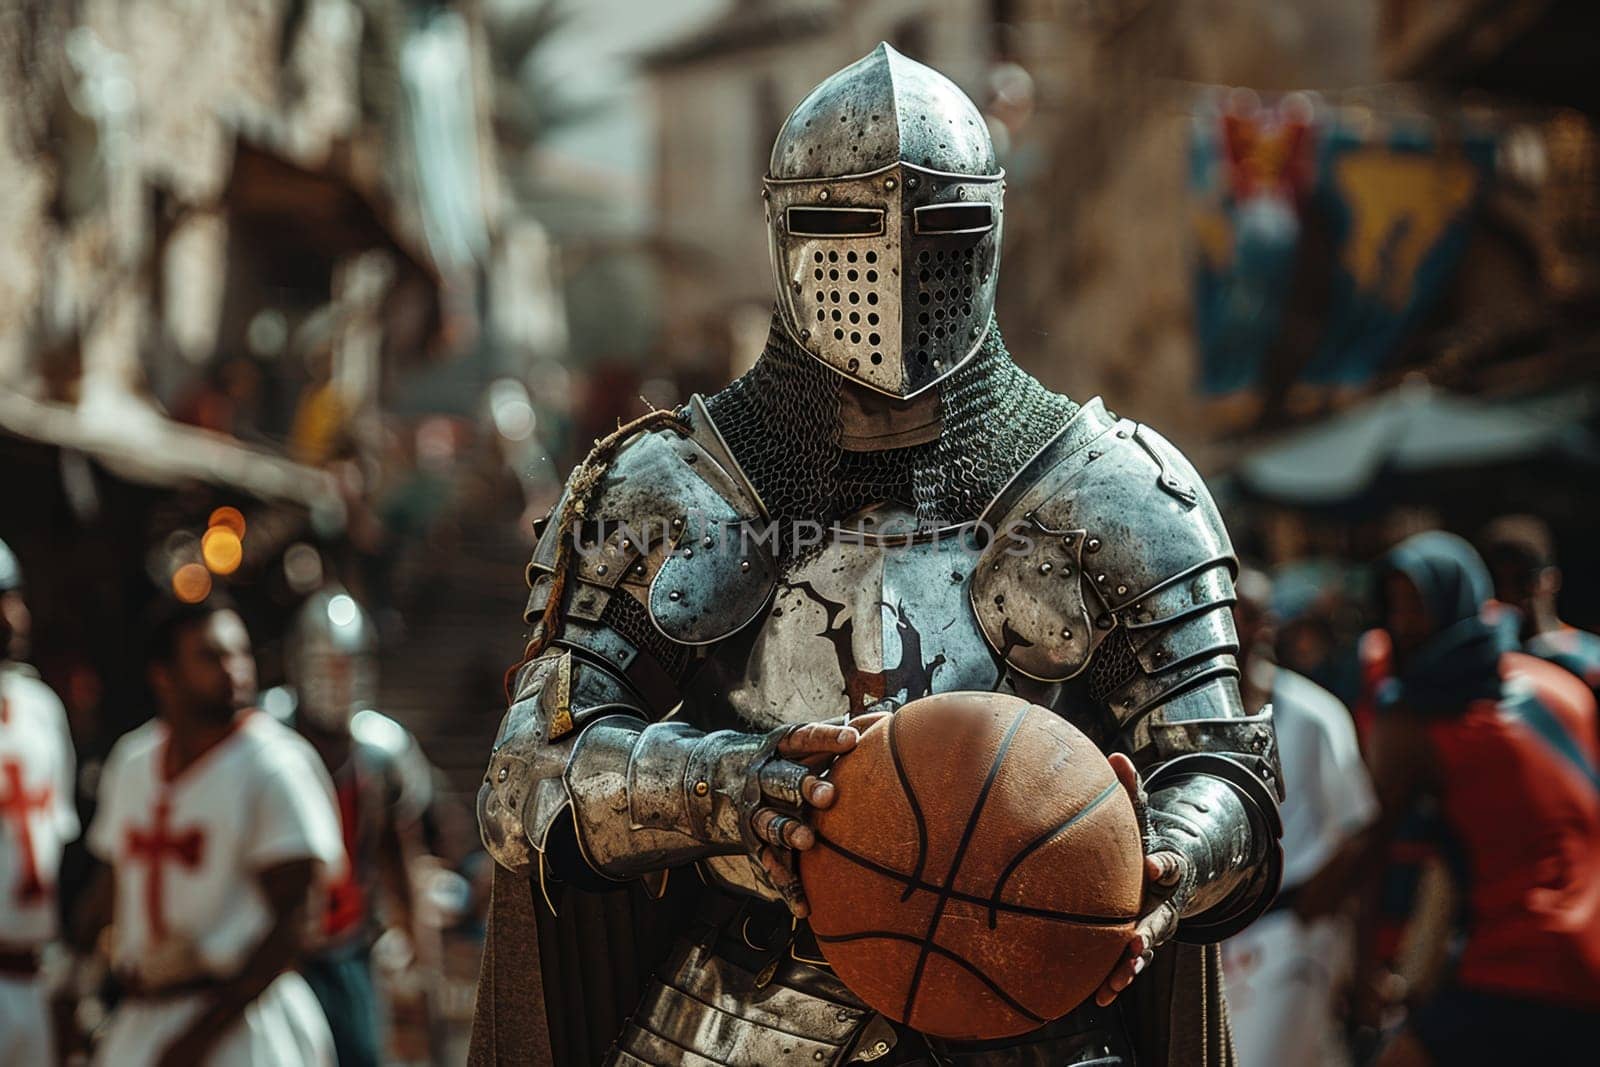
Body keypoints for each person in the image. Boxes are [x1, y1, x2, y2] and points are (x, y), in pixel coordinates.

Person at [473, 44, 1283, 1067]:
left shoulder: (1116, 494)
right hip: (737, 1019)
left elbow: (1221, 768)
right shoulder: (665, 487)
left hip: (1035, 1017)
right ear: (784, 233)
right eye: (845, 224)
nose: (895, 268)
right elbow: (526, 776)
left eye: (939, 228)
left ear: (987, 230)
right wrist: (729, 783)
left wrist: (1152, 860)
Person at [1334, 532, 1600, 1066]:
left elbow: (1371, 852)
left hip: (1518, 962)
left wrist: (1361, 975)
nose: (1404, 624)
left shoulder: (1413, 721)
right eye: (1395, 606)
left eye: (1417, 606)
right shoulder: (1561, 686)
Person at [77, 594, 345, 1065]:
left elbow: (298, 916)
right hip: (143, 1012)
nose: (234, 669)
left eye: (240, 653)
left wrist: (202, 1034)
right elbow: (112, 885)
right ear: (163, 675)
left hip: (247, 1023)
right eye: (212, 656)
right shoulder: (133, 761)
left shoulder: (275, 763)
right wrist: (71, 981)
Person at [271, 584, 435, 1067]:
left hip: (347, 943)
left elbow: (397, 853)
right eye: (326, 664)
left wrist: (414, 941)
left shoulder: (381, 751)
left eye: (349, 664)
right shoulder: (266, 737)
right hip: (272, 950)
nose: (338, 679)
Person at [1220, 567, 1375, 1067]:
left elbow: (1357, 826)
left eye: (1244, 614)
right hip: (1218, 934)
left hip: (1288, 927)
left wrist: (1312, 909)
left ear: (1268, 625)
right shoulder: (1198, 714)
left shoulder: (1314, 714)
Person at [0, 538, 79, 1066]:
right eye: (2, 600)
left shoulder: (41, 707)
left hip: (35, 974)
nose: (17, 616)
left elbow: (61, 846)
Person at [1481, 514, 1600, 700]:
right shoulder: (1485, 663)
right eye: (1497, 582)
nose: (1509, 594)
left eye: (1522, 580)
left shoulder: (1590, 657)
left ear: (1551, 579)